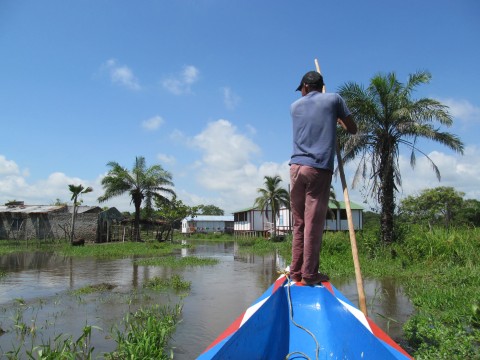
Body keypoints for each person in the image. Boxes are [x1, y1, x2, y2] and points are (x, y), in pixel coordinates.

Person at [289, 71, 357, 285]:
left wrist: (331, 117)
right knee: (313, 224)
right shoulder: (334, 99)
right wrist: (337, 118)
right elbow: (352, 129)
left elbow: (313, 116)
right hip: (317, 169)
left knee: (299, 223)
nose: (301, 92)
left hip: (295, 168)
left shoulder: (295, 106)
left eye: (301, 89)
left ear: (306, 87)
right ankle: (309, 275)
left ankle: (296, 272)